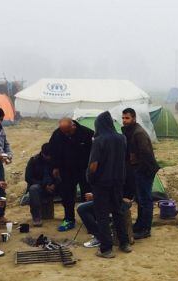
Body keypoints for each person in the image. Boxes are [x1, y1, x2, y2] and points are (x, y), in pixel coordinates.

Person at [87, 111, 131, 258]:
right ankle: (124, 243)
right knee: (118, 211)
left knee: (102, 215)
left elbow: (93, 165)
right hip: (118, 180)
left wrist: (90, 178)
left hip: (102, 183)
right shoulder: (122, 138)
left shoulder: (99, 140)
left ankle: (106, 249)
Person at [48, 118, 94, 231]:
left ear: (73, 126)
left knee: (87, 194)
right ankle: (69, 219)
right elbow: (52, 151)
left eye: (68, 131)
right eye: (64, 132)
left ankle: (91, 220)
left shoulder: (87, 133)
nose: (66, 134)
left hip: (84, 170)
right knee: (67, 195)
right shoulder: (57, 134)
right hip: (66, 170)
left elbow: (94, 152)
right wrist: (55, 166)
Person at [121, 108, 160, 240]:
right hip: (137, 170)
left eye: (127, 118)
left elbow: (146, 154)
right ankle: (139, 224)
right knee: (140, 199)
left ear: (134, 118)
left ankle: (145, 229)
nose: (124, 121)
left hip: (144, 170)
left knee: (145, 200)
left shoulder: (138, 133)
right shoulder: (129, 131)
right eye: (123, 118)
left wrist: (140, 171)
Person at [25, 143, 57, 226]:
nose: (49, 158)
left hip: (54, 185)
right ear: (42, 153)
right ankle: (36, 217)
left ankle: (69, 216)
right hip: (40, 185)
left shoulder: (56, 160)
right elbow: (28, 178)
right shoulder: (34, 160)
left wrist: (55, 184)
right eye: (47, 156)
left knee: (69, 186)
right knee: (33, 189)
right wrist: (44, 185)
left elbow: (63, 175)